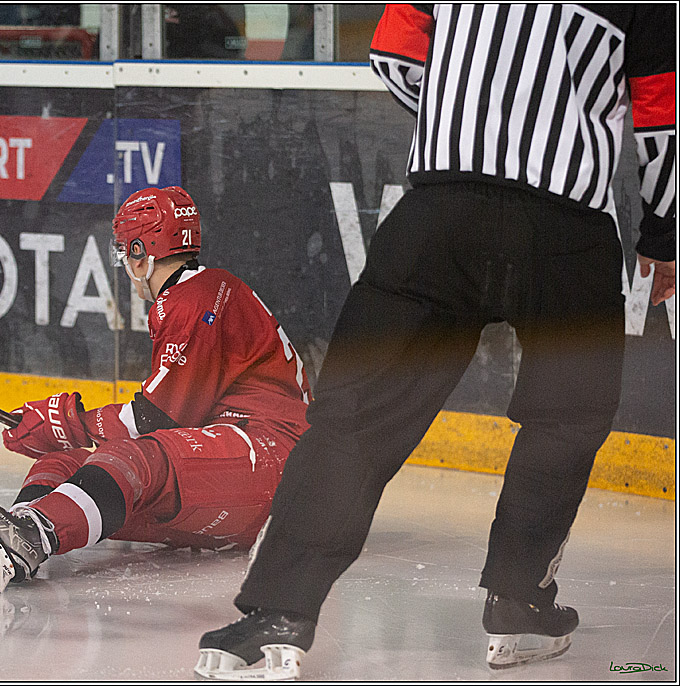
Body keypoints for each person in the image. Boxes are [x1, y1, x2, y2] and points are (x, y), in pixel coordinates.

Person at [196, 4, 675, 680]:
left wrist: (471, 120)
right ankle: (517, 606)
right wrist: (664, 236)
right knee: (565, 419)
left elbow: (394, 54)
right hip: (566, 229)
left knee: (355, 420)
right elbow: (662, 117)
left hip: (437, 214)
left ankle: (277, 613)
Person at [0, 185, 312, 594]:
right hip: (234, 476)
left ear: (142, 250)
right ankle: (9, 534)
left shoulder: (197, 298)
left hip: (274, 461)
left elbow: (157, 418)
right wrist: (65, 434)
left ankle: (29, 537)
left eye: (126, 251)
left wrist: (66, 421)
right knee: (74, 464)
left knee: (135, 460)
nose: (125, 263)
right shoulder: (194, 294)